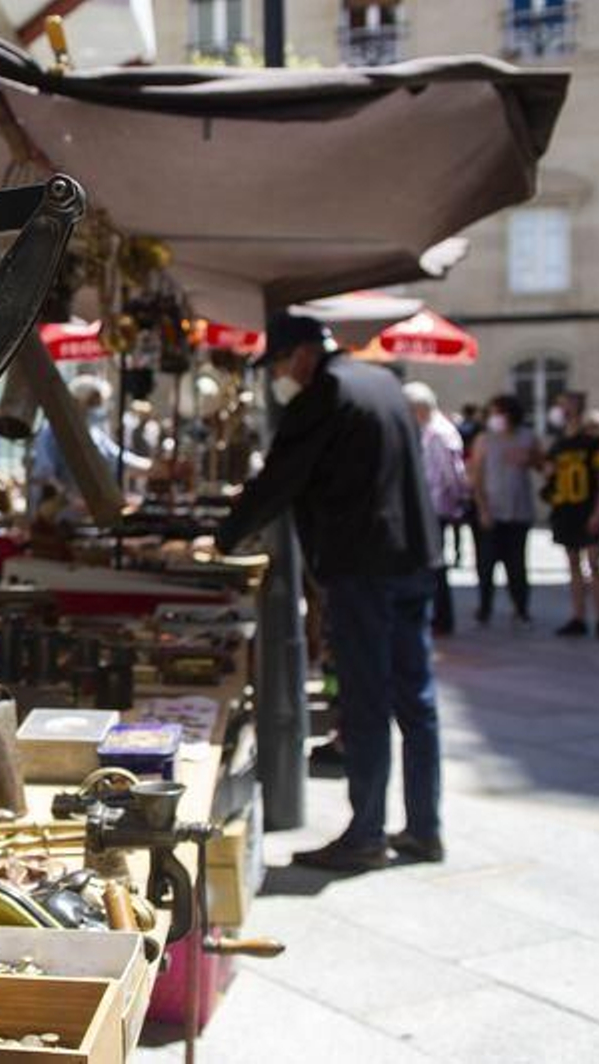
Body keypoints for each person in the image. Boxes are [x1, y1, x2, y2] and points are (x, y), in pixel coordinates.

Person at [214, 313, 442, 871]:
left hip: (364, 565)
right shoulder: (383, 380)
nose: (279, 377)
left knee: (366, 700)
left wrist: (223, 538)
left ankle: (366, 835)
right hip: (413, 556)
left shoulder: (326, 393)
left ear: (301, 356)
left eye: (278, 365)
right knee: (416, 700)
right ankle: (424, 828)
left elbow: (279, 480)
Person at [466, 394, 542, 627]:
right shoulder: (484, 440)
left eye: (498, 413)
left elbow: (542, 464)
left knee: (517, 564)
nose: (494, 417)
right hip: (492, 511)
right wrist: (482, 508)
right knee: (486, 563)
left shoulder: (527, 437)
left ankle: (521, 607)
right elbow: (476, 476)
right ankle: (484, 607)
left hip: (519, 511)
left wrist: (529, 459)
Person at [28, 373, 149, 513]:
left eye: (99, 404)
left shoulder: (95, 435)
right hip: (60, 517)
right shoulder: (52, 432)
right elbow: (44, 474)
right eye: (92, 403)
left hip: (91, 515)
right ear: (75, 402)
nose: (97, 409)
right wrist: (70, 499)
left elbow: (121, 461)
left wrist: (156, 467)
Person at [547, 394, 599, 640]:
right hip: (566, 510)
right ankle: (578, 617)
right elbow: (549, 472)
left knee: (594, 565)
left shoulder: (594, 442)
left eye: (565, 405)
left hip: (588, 509)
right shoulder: (559, 443)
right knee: (573, 564)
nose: (561, 410)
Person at [403, 382, 468, 636]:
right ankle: (437, 616)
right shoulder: (429, 430)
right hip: (431, 507)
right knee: (430, 564)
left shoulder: (439, 433)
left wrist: (455, 504)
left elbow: (452, 476)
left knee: (434, 565)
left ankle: (442, 617)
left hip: (436, 508)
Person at [447, 402, 484, 568]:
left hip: (462, 480)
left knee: (457, 524)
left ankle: (458, 554)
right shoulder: (475, 430)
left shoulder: (459, 429)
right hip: (468, 479)